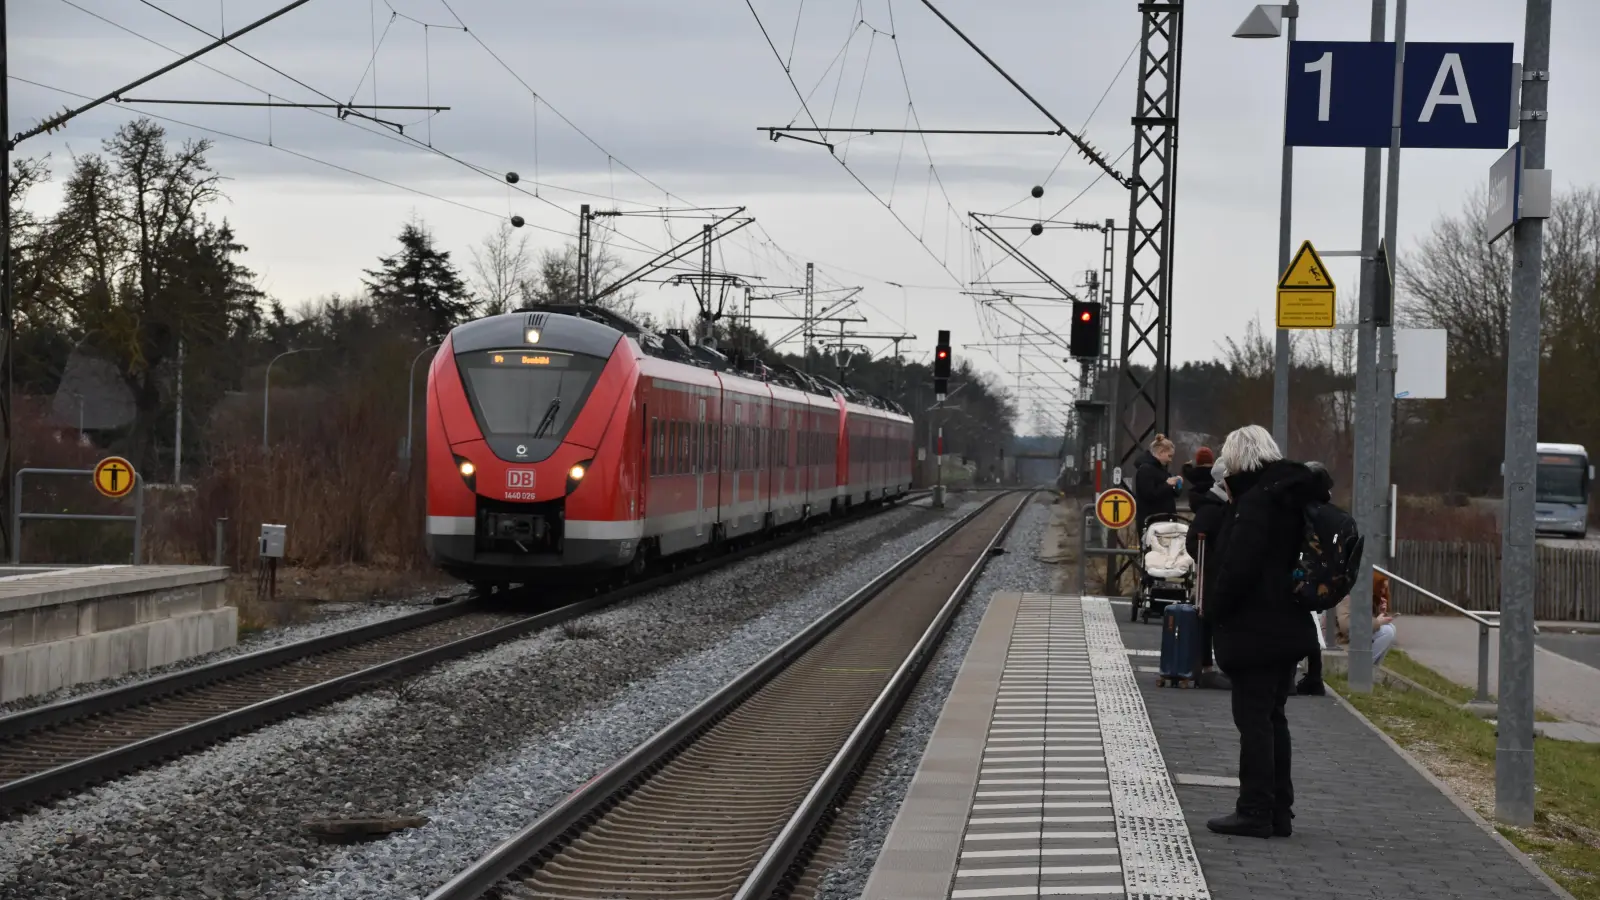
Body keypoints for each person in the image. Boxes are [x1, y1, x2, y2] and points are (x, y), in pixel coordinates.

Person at [1201, 425, 1321, 839]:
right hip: (1287, 625)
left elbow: (1239, 566)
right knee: (1273, 717)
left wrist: (1214, 608)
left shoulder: (1256, 502)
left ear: (1238, 458)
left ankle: (1254, 810)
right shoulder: (1288, 496)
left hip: (1256, 629)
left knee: (1253, 721)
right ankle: (1278, 811)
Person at [1183, 449, 1227, 687]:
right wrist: (1214, 561)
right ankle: (1206, 666)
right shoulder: (1211, 509)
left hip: (1223, 569)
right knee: (1209, 616)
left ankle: (1218, 666)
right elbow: (1193, 542)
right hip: (1214, 571)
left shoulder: (1224, 506)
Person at [1294, 461, 1337, 696]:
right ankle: (1314, 675)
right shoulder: (1327, 510)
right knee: (1307, 622)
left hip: (1303, 572)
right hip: (1322, 573)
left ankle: (1297, 676)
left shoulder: (1304, 509)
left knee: (1292, 619)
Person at [1134, 434, 1182, 535]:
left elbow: (1171, 494)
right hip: (1152, 522)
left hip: (1164, 521)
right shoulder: (1145, 470)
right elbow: (1149, 494)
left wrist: (1177, 485)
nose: (1170, 460)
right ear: (1161, 452)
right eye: (1169, 456)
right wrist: (1167, 484)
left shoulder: (1161, 469)